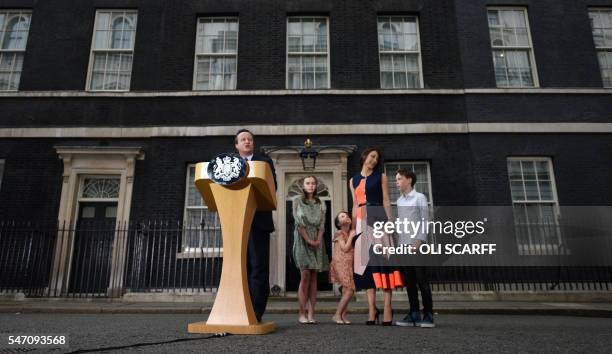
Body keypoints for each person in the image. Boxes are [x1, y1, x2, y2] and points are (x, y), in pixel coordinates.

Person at [350, 148, 403, 326]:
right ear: (364, 157)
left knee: (383, 261)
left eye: (376, 158)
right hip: (361, 222)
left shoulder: (381, 176)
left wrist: (390, 222)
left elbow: (386, 199)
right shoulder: (353, 180)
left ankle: (388, 307)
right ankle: (372, 308)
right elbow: (354, 205)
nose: (373, 160)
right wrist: (352, 228)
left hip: (377, 215)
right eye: (371, 156)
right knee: (366, 265)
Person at [234, 129, 277, 323]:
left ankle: (255, 312)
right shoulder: (229, 163)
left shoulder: (264, 162)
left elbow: (271, 186)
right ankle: (238, 309)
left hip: (258, 221)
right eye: (243, 139)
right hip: (235, 222)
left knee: (258, 267)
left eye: (250, 139)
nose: (247, 142)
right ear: (237, 145)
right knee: (239, 267)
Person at [394, 168, 435, 328]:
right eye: (396, 179)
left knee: (422, 280)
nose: (396, 182)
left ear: (409, 180)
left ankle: (429, 315)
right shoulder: (399, 201)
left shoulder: (420, 198)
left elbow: (425, 220)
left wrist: (419, 241)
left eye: (399, 179)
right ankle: (414, 314)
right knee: (409, 282)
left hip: (418, 246)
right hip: (404, 246)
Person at [292, 175, 329, 324]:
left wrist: (318, 240)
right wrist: (309, 240)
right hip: (302, 239)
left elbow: (322, 224)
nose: (311, 186)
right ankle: (301, 313)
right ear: (303, 185)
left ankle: (311, 313)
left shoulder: (321, 203)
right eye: (308, 183)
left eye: (313, 183)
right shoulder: (297, 201)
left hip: (317, 239)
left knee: (314, 277)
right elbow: (299, 223)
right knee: (305, 274)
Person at [329, 211, 357, 324]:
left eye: (346, 215)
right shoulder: (339, 233)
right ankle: (337, 314)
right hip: (340, 263)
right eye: (341, 216)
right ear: (338, 223)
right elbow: (345, 248)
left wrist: (351, 233)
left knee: (346, 289)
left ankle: (343, 316)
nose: (345, 216)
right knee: (350, 289)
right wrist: (351, 236)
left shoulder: (351, 231)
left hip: (349, 264)